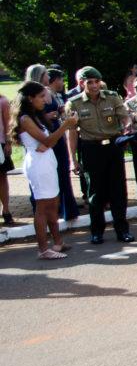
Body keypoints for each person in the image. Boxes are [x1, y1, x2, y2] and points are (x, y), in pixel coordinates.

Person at [65, 66, 135, 244]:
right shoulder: (74, 103)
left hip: (113, 147)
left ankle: (122, 230)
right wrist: (72, 159)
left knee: (118, 190)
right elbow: (72, 133)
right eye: (90, 82)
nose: (95, 85)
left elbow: (124, 116)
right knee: (95, 193)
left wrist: (127, 125)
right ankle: (97, 231)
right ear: (81, 83)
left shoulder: (111, 97)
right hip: (91, 149)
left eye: (97, 81)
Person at [12, 81, 79, 258]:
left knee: (53, 203)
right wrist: (65, 126)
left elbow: (48, 142)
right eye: (41, 96)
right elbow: (48, 141)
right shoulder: (25, 119)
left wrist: (47, 142)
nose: (44, 100)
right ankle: (43, 249)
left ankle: (58, 242)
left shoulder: (35, 116)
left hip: (47, 161)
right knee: (42, 206)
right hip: (38, 164)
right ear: (30, 98)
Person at [25, 64, 79, 222]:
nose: (49, 77)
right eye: (46, 74)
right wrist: (49, 118)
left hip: (55, 132)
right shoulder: (30, 100)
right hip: (43, 137)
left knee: (62, 172)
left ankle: (65, 209)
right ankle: (45, 212)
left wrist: (60, 112)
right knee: (46, 177)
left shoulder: (49, 92)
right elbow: (30, 119)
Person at [0, 90, 14, 225]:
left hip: (0, 143)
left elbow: (8, 124)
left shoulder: (3, 101)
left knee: (2, 178)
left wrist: (8, 143)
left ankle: (6, 210)